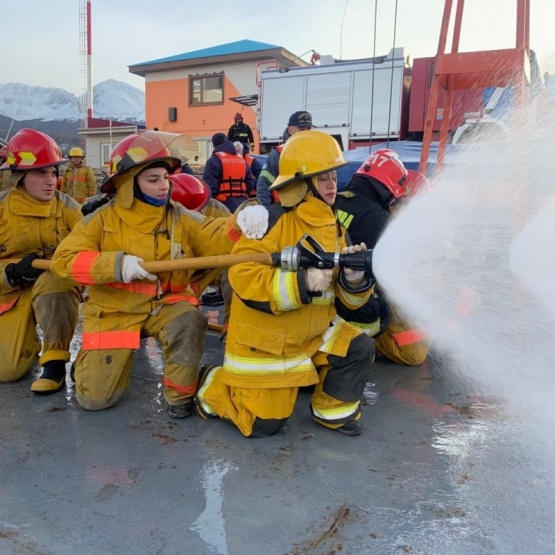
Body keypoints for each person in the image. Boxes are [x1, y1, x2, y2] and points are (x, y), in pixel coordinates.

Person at [50, 130, 264, 418]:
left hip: (166, 305)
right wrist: (116, 265)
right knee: (95, 400)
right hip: (115, 313)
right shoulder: (100, 220)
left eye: (166, 178)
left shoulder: (177, 215)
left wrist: (239, 222)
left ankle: (180, 397)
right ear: (128, 183)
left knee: (190, 320)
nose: (164, 186)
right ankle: (86, 367)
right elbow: (63, 261)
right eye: (153, 179)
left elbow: (210, 234)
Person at [195, 130, 376, 438]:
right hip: (269, 340)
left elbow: (348, 303)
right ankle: (215, 384)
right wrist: (303, 283)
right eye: (322, 178)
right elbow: (243, 275)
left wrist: (354, 280)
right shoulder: (271, 221)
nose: (332, 184)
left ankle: (331, 410)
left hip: (312, 332)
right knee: (265, 425)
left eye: (333, 176)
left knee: (358, 347)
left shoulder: (335, 227)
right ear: (301, 183)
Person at [0, 128, 83, 393]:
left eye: (53, 172)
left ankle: (54, 363)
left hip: (55, 287)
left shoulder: (68, 208)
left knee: (54, 278)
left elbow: (92, 246)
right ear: (19, 177)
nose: (51, 181)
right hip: (11, 292)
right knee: (8, 371)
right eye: (40, 173)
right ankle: (28, 341)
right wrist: (10, 273)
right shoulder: (1, 208)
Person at [335, 148, 430, 366]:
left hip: (327, 299)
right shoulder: (382, 221)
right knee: (414, 352)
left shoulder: (333, 203)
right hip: (358, 304)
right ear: (390, 189)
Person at [170, 172, 232, 334]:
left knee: (236, 272)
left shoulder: (218, 210)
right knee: (183, 316)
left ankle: (231, 327)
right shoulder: (168, 219)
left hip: (214, 265)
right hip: (186, 271)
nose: (202, 213)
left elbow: (234, 247)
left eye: (203, 207)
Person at [256, 110, 313, 207]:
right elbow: (263, 185)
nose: (306, 133)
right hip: (282, 212)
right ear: (290, 130)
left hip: (307, 212)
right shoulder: (277, 155)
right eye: (302, 129)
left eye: (309, 129)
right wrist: (267, 211)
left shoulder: (313, 154)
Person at [202, 132, 255, 213]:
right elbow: (250, 183)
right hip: (242, 205)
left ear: (213, 146)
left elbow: (209, 187)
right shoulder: (241, 159)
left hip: (221, 206)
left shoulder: (214, 160)